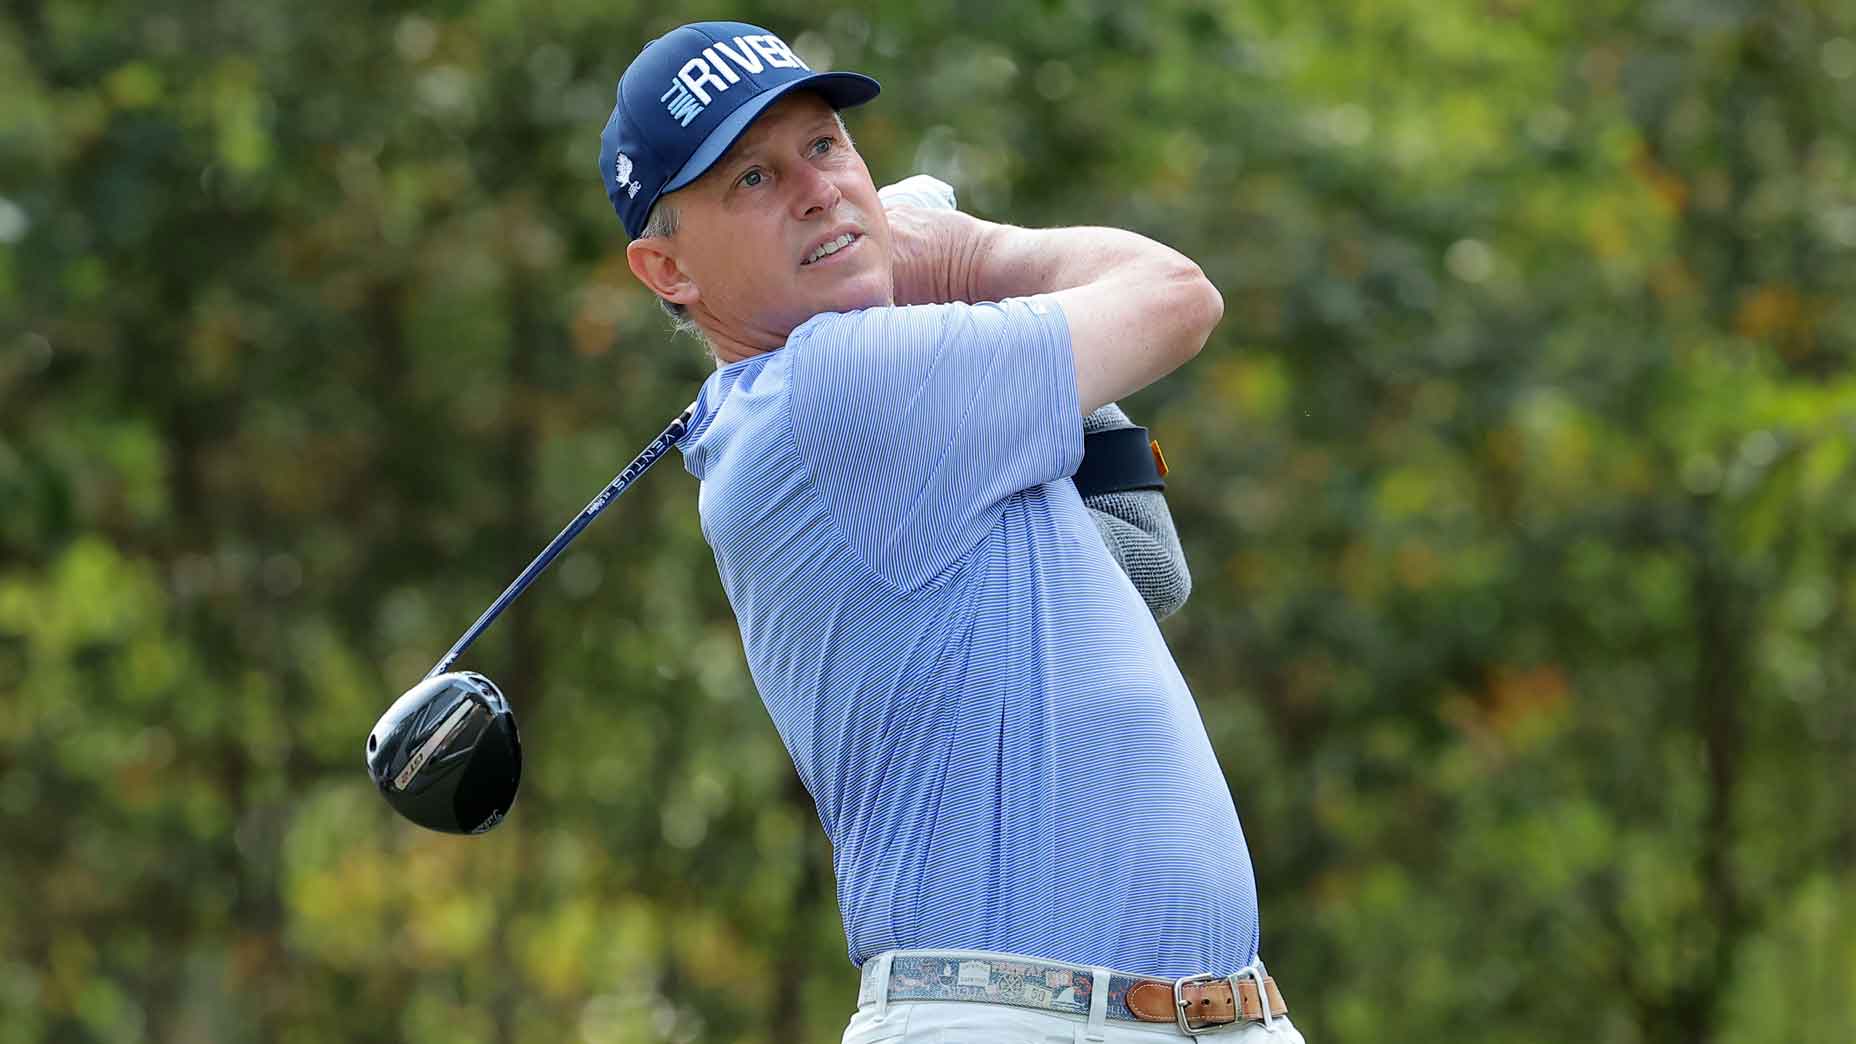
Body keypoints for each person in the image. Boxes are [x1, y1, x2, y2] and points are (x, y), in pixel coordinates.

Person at [600, 21, 1300, 1042]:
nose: (815, 189)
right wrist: (970, 252)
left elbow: (1142, 570)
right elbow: (1174, 295)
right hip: (1020, 1016)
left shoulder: (877, 402)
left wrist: (916, 278)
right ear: (668, 270)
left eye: (825, 147)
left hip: (1194, 1014)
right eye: (750, 179)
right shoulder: (840, 388)